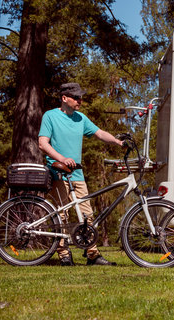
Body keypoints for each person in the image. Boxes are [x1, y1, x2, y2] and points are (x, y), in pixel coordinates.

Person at [38, 82, 123, 266]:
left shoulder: (81, 118)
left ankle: (92, 254)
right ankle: (64, 254)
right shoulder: (50, 116)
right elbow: (43, 143)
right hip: (58, 172)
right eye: (76, 98)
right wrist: (61, 158)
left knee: (87, 215)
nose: (80, 101)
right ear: (64, 98)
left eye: (80, 97)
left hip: (77, 175)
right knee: (62, 216)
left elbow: (99, 133)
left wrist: (117, 141)